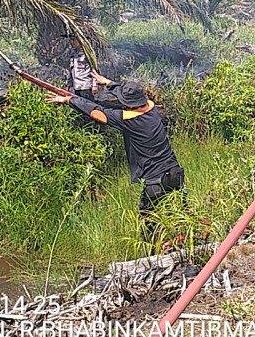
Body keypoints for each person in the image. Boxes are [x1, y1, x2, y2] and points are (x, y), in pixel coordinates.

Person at [46, 73, 185, 242]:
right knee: (180, 220)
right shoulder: (151, 108)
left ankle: (156, 259)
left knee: (149, 226)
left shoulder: (128, 120)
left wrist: (70, 100)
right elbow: (129, 94)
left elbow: (98, 113)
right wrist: (108, 84)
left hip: (155, 182)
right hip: (176, 174)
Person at [67, 36, 96, 100]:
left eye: (73, 40)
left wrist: (94, 85)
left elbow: (94, 70)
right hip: (76, 87)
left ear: (80, 41)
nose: (72, 42)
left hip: (85, 86)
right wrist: (69, 85)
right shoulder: (72, 54)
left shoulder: (88, 54)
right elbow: (71, 71)